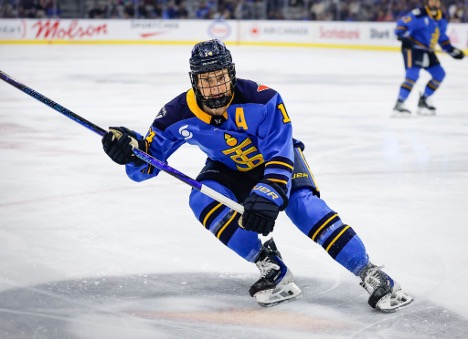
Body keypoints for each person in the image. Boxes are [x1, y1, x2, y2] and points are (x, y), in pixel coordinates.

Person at [102, 39, 413, 312]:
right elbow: (144, 167)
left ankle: (370, 272)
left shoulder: (263, 100)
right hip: (229, 167)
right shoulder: (176, 114)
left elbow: (279, 155)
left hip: (277, 163)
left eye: (220, 79)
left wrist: (268, 194)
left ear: (231, 74)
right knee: (201, 199)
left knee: (304, 207)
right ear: (194, 82)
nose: (215, 89)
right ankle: (270, 265)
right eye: (206, 81)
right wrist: (129, 152)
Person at [392, 0, 464, 117]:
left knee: (439, 74)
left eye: (437, 1)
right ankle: (399, 104)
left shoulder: (442, 18)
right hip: (413, 49)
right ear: (427, 2)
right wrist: (403, 37)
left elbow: (442, 38)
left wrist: (452, 50)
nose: (434, 3)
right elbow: (401, 26)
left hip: (427, 50)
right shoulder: (419, 14)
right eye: (432, 1)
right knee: (412, 75)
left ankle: (423, 100)